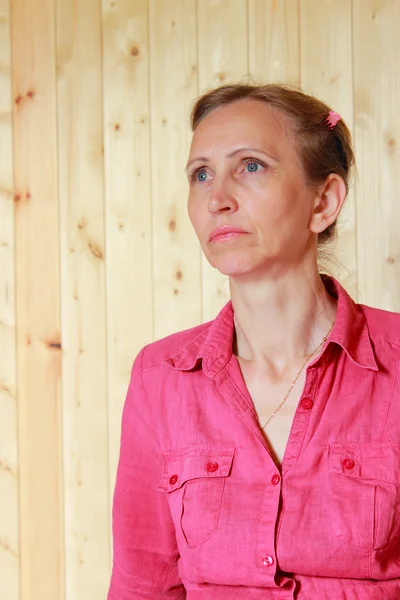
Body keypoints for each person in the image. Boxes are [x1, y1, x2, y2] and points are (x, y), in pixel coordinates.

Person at [107, 83, 400, 599]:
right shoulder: (161, 378)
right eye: (201, 175)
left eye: (251, 166)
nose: (217, 198)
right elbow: (143, 586)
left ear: (324, 201)